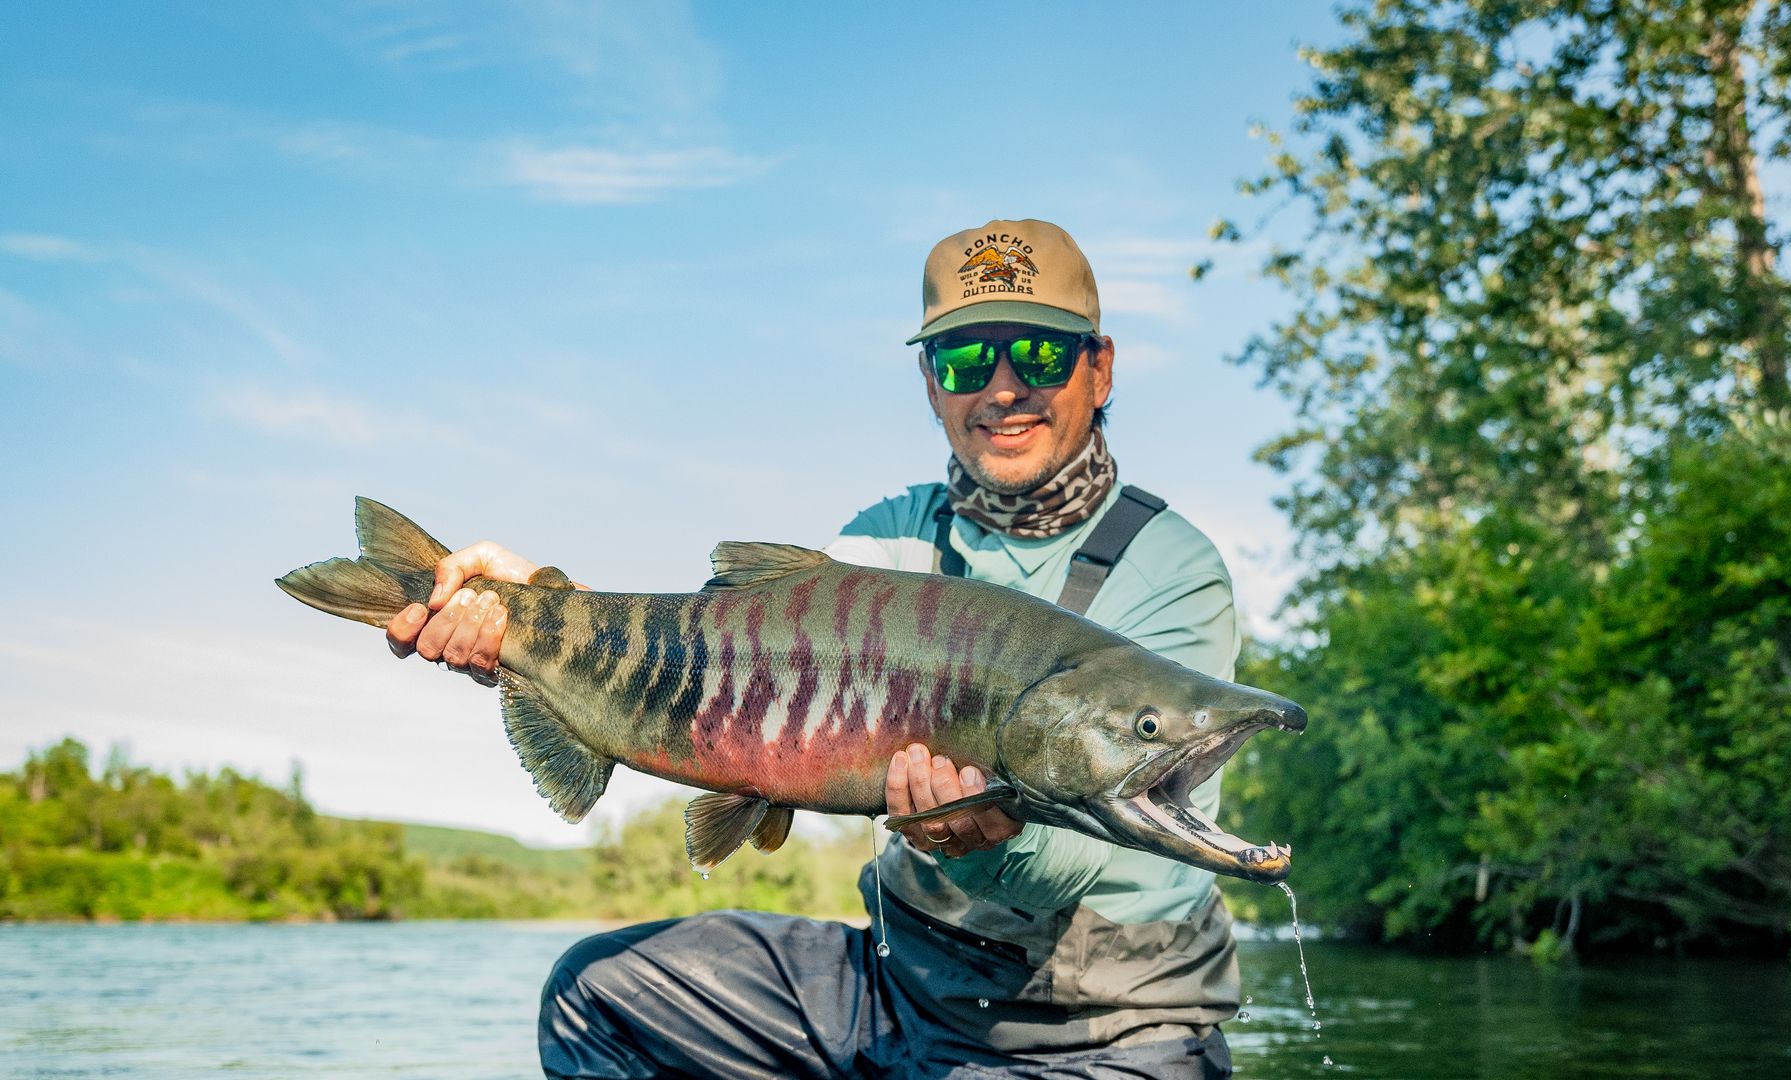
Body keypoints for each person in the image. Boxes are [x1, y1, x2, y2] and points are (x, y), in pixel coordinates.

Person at [385, 219, 1244, 1078]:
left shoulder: (1171, 568)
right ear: (930, 384)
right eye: (965, 363)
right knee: (600, 991)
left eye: (1042, 357)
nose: (1004, 388)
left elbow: (1099, 849)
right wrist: (544, 614)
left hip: (1115, 1026)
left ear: (1100, 368)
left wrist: (986, 835)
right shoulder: (886, 536)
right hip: (901, 990)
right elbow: (726, 675)